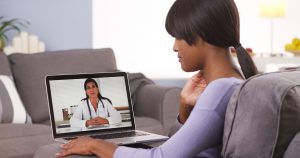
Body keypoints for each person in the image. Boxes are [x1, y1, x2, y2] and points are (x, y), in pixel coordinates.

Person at [57, 0, 258, 157]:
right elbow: (176, 145)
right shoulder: (234, 82)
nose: (175, 46)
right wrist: (184, 105)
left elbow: (160, 156)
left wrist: (94, 144)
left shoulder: (219, 90)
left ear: (201, 35)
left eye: (178, 36)